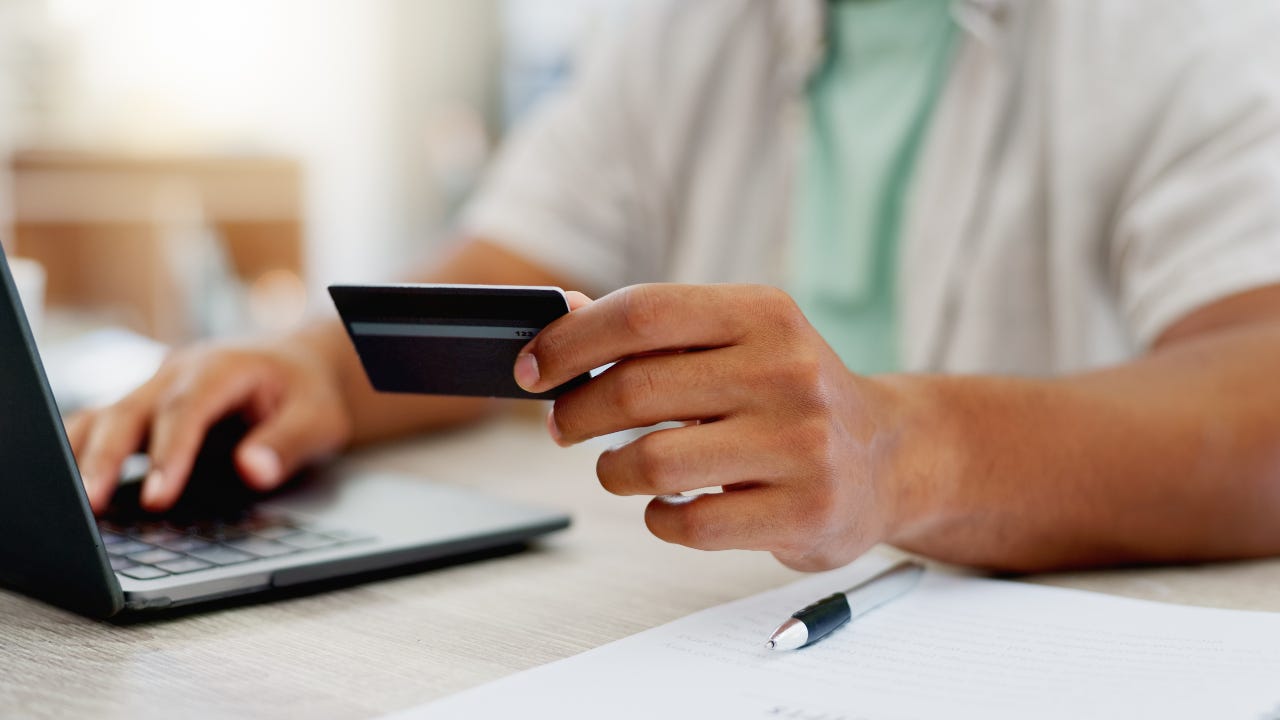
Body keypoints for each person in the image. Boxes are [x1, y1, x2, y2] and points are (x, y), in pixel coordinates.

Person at [67, 0, 1280, 573]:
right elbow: (514, 262)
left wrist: (901, 451)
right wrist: (306, 367)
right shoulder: (680, 26)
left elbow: (1260, 406)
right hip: (700, 631)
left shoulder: (1190, 32)